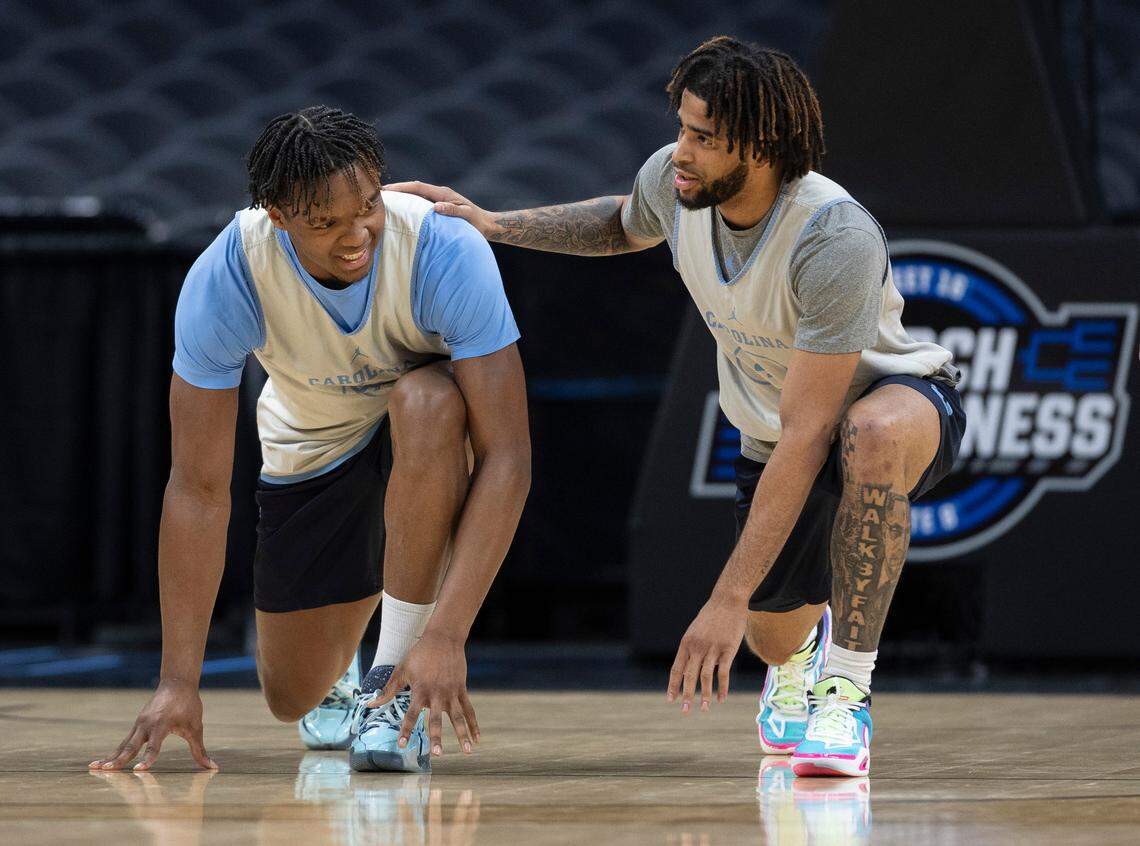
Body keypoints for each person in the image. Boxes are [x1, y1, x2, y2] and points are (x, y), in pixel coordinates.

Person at [390, 37, 965, 777]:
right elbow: (623, 221)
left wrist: (723, 598)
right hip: (773, 433)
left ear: (759, 147)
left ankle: (846, 691)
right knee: (771, 638)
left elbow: (812, 430)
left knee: (869, 433)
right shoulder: (678, 180)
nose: (681, 151)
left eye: (704, 138)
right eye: (683, 128)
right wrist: (496, 224)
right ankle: (800, 654)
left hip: (901, 402)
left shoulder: (833, 236)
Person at [89, 106, 531, 774]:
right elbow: (198, 488)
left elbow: (508, 456)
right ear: (277, 213)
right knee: (289, 696)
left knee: (427, 399)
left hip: (426, 428)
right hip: (315, 439)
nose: (356, 237)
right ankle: (343, 675)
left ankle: (391, 688)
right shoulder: (229, 275)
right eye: (326, 223)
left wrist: (445, 635)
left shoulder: (444, 248)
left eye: (368, 208)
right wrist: (178, 681)